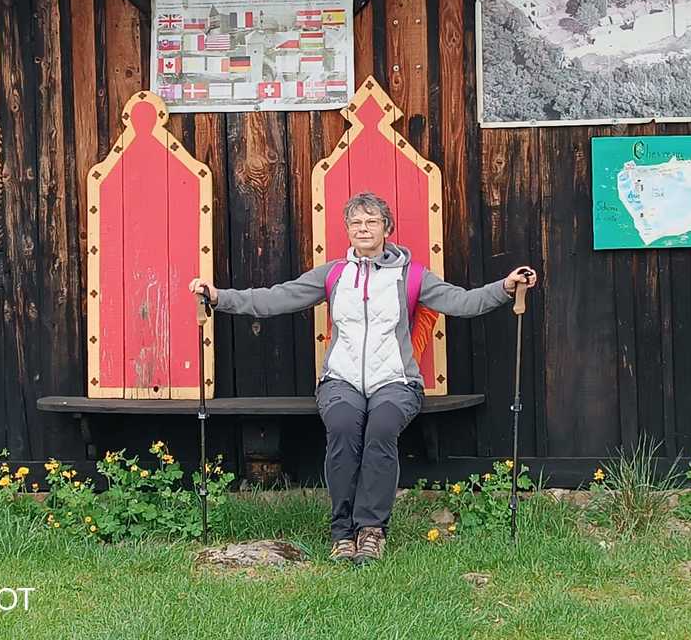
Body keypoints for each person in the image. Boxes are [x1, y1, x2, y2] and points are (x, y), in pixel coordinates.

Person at [190, 190, 538, 565]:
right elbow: (275, 298)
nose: (363, 228)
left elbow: (463, 302)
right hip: (341, 380)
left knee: (381, 431)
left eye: (372, 221)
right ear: (347, 230)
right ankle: (343, 532)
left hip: (396, 381)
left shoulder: (412, 275)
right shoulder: (333, 274)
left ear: (387, 228)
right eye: (355, 222)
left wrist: (504, 287)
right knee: (342, 430)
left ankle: (371, 530)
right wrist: (219, 297)